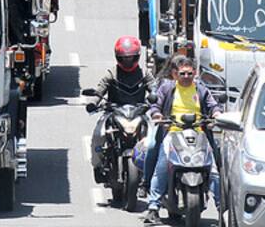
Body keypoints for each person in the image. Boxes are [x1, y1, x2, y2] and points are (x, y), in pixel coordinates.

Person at [142, 55, 222, 225]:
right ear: (175, 74)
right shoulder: (167, 88)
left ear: (195, 73)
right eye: (182, 73)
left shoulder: (201, 89)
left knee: (214, 169)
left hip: (199, 134)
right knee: (162, 166)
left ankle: (223, 209)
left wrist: (216, 114)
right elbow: (156, 105)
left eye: (189, 73)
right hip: (173, 133)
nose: (186, 77)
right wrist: (157, 114)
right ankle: (153, 207)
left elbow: (213, 105)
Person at [90, 36, 155, 176]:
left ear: (137, 56)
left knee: (153, 137)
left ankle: (152, 170)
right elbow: (100, 89)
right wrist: (93, 102)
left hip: (139, 112)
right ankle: (98, 165)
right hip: (114, 111)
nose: (127, 61)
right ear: (118, 57)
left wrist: (156, 98)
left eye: (130, 58)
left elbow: (155, 88)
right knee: (98, 135)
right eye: (124, 58)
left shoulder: (144, 74)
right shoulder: (111, 74)